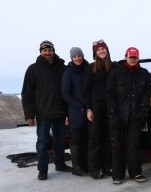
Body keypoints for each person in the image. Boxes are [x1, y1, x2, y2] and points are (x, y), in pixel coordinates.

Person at [21, 40, 72, 180]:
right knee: (42, 142)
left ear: (53, 51)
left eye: (49, 50)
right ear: (40, 52)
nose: (47, 53)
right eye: (44, 50)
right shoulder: (33, 69)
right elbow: (27, 93)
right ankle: (42, 168)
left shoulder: (62, 68)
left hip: (60, 112)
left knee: (60, 140)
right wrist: (29, 115)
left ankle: (60, 164)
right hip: (43, 113)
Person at [105, 47, 151, 184]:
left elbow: (147, 94)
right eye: (130, 57)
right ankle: (118, 175)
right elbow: (109, 95)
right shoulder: (115, 73)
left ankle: (135, 173)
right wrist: (113, 113)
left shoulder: (144, 73)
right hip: (117, 116)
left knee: (134, 146)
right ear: (126, 57)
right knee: (117, 146)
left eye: (135, 57)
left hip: (135, 117)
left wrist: (143, 112)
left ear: (138, 58)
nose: (132, 59)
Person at [83, 39, 117, 179]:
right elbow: (86, 91)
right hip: (96, 106)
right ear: (95, 53)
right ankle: (94, 169)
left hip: (111, 106)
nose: (101, 51)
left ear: (107, 50)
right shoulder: (91, 68)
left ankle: (106, 166)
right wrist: (88, 109)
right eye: (98, 50)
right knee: (95, 138)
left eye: (103, 49)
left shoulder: (114, 67)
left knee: (108, 138)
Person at [61, 47, 89, 176]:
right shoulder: (68, 72)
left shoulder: (87, 69)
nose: (77, 58)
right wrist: (79, 106)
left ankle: (86, 165)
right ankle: (77, 167)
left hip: (89, 109)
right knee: (77, 140)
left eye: (79, 56)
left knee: (87, 139)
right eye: (75, 56)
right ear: (71, 58)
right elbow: (65, 94)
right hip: (75, 111)